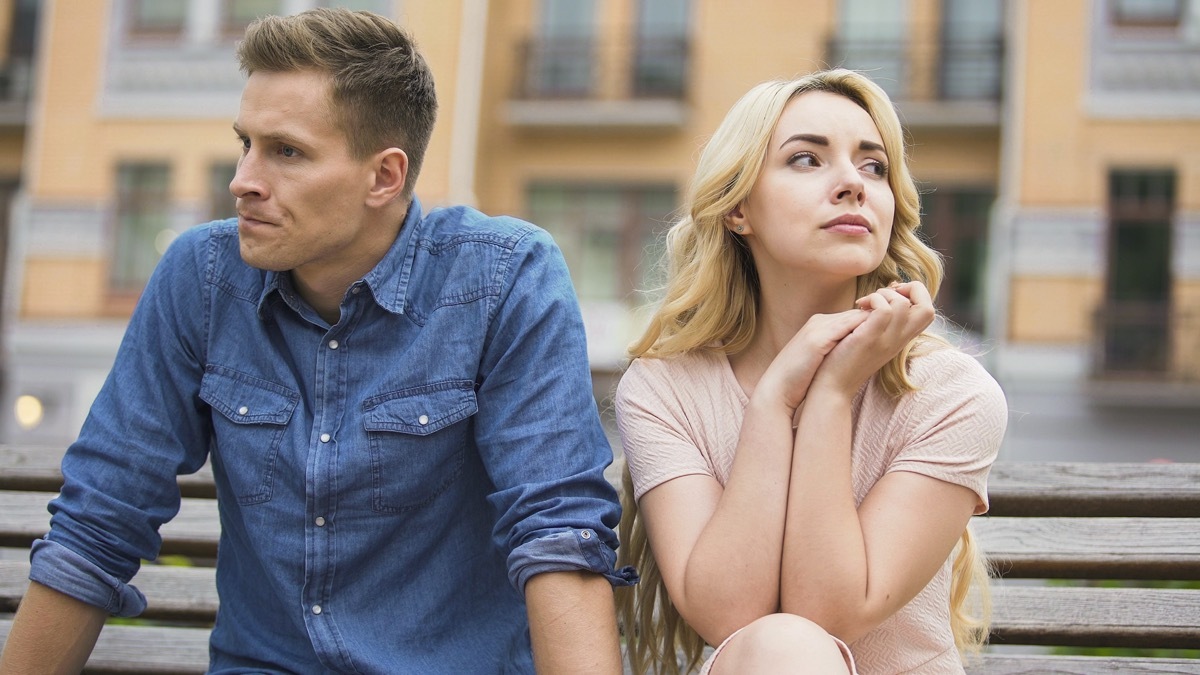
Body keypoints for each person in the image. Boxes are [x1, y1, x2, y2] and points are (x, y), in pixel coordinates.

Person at [0, 8, 634, 674]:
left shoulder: (501, 278)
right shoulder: (203, 278)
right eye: (245, 143)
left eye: (286, 152)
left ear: (384, 176)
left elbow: (557, 532)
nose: (242, 179)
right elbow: (101, 518)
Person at [613, 69, 1007, 674]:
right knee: (780, 645)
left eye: (874, 166)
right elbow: (729, 613)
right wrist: (773, 401)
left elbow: (828, 612)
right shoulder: (665, 389)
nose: (853, 183)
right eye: (807, 159)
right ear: (737, 207)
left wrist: (831, 394)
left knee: (792, 641)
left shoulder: (952, 393)